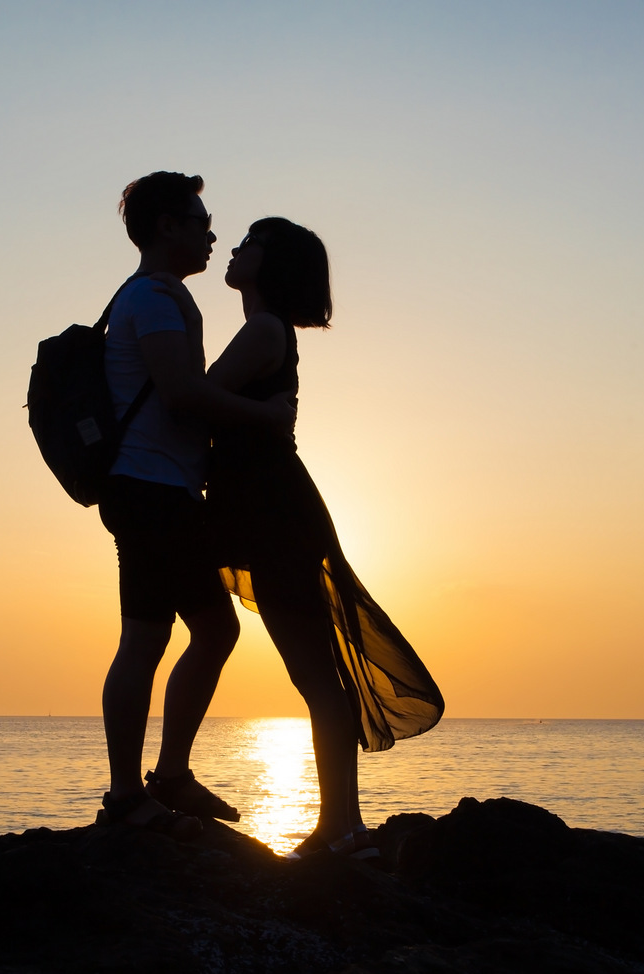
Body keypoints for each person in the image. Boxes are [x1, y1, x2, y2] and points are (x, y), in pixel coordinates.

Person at [155, 217, 444, 858]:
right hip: (259, 508)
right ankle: (342, 824)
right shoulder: (263, 329)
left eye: (250, 242)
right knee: (310, 673)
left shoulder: (263, 330)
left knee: (315, 676)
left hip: (271, 512)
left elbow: (191, 399)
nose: (234, 248)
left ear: (274, 263)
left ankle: (341, 827)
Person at [95, 173, 295, 839]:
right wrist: (264, 415)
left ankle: (166, 776)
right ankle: (133, 791)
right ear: (166, 228)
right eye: (200, 221)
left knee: (208, 630)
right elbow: (182, 394)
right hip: (147, 489)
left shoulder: (161, 297)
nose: (212, 234)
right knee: (150, 638)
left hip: (161, 488)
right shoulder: (152, 299)